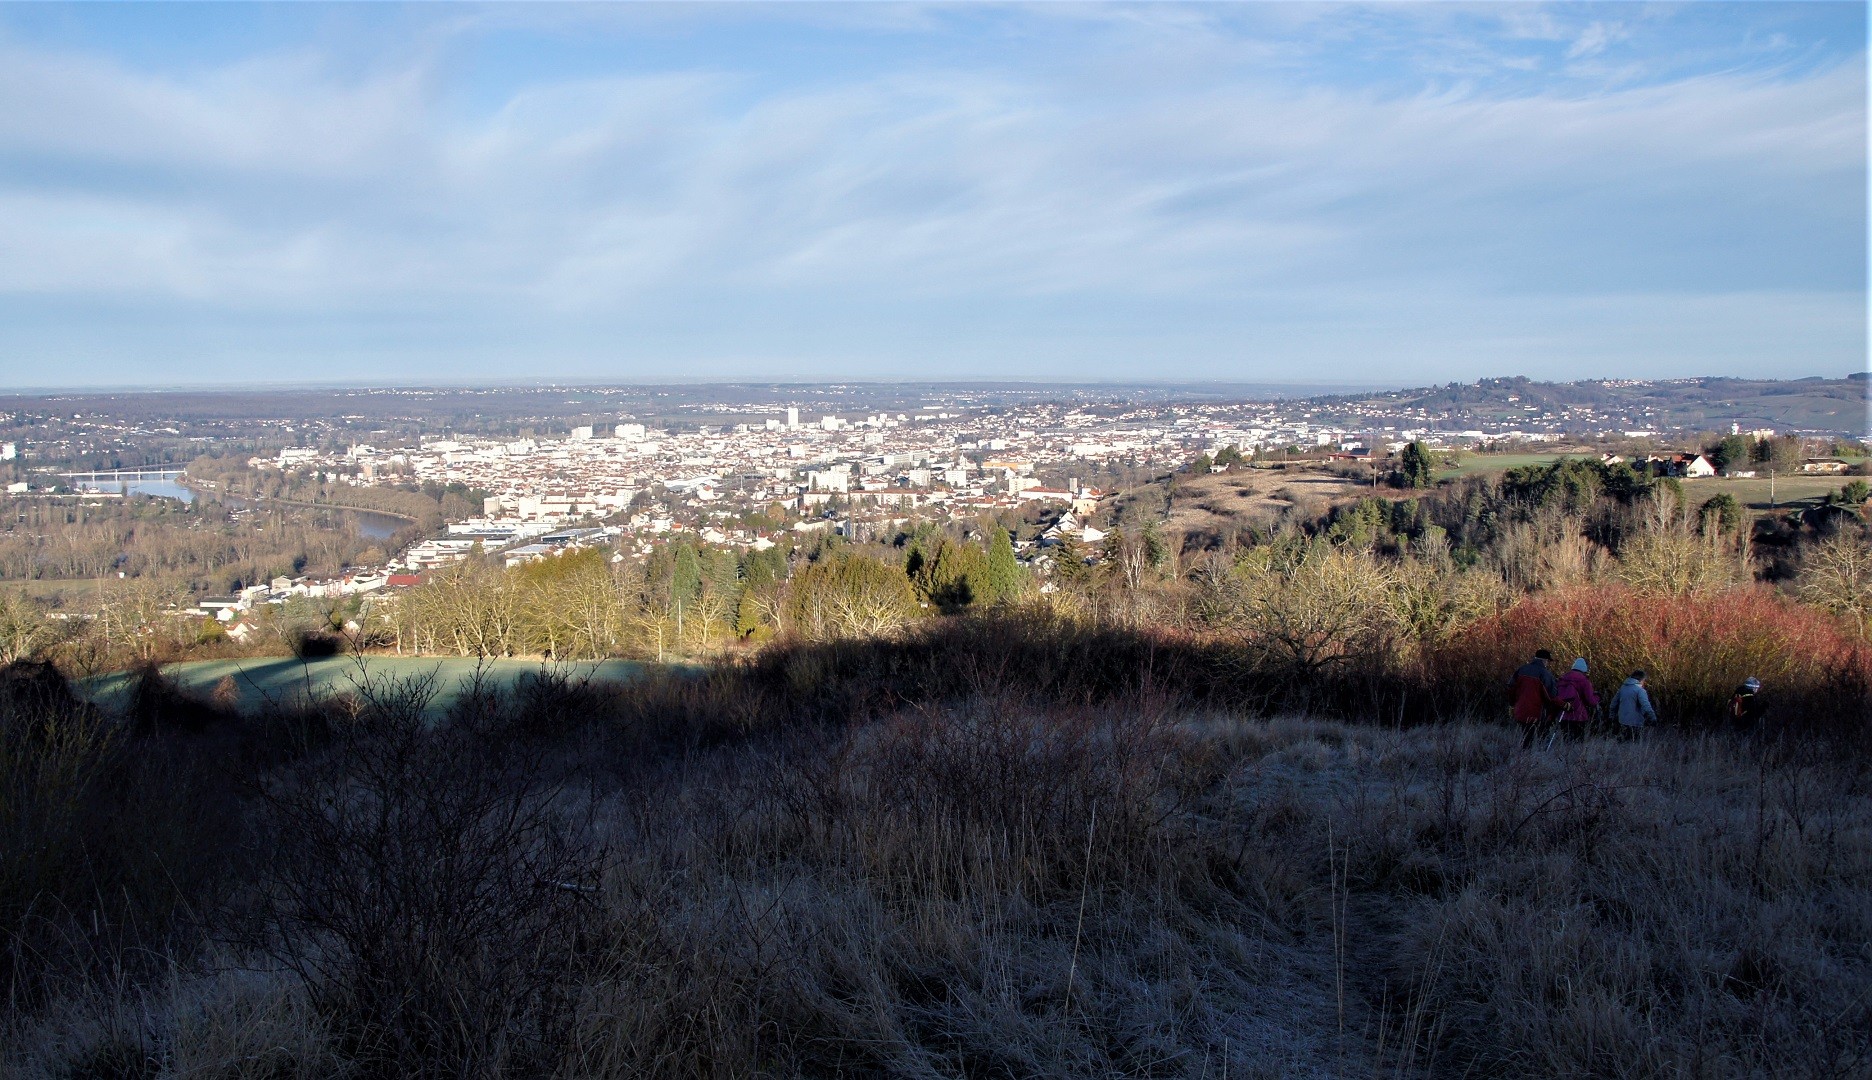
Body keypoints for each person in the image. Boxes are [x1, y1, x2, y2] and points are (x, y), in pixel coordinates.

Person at [1512, 649, 1558, 749]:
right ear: (1545, 660)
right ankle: (1538, 759)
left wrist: (1512, 704)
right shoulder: (1545, 674)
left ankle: (1523, 758)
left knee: (1526, 737)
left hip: (1520, 710)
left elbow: (1511, 687)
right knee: (1542, 737)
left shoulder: (1521, 669)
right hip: (1537, 712)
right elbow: (1552, 695)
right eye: (1548, 661)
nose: (1548, 664)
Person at [1553, 657, 1601, 740]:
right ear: (1584, 668)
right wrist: (1598, 697)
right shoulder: (1583, 680)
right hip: (1579, 716)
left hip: (1563, 715)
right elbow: (1591, 701)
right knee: (1577, 742)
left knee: (1566, 741)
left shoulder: (1562, 678)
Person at [1611, 669, 1657, 739]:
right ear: (1642, 680)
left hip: (1621, 722)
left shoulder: (1623, 688)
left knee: (1623, 746)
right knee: (1635, 745)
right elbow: (1646, 706)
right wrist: (1652, 718)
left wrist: (1612, 716)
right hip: (1636, 724)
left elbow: (1613, 704)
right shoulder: (1640, 690)